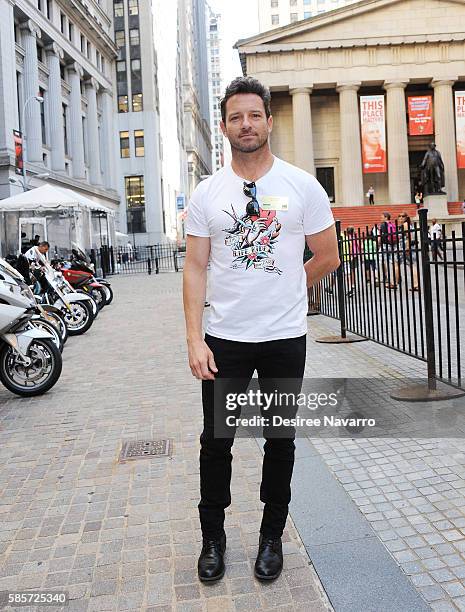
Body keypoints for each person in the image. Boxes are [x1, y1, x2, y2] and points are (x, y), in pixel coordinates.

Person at [183, 76, 339, 584]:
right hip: (225, 339)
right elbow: (195, 268)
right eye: (235, 117)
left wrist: (290, 289)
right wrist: (194, 338)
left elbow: (329, 254)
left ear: (269, 121)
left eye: (254, 115)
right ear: (225, 126)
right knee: (216, 442)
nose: (245, 125)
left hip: (282, 340)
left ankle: (272, 537)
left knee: (280, 441)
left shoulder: (302, 186)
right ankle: (213, 538)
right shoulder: (208, 192)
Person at [397, 212, 419, 291]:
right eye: (399, 216)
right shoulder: (406, 225)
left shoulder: (405, 225)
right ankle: (415, 284)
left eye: (403, 216)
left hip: (406, 246)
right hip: (407, 246)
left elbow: (408, 236)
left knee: (397, 263)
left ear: (406, 217)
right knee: (411, 265)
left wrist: (407, 247)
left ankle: (395, 282)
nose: (401, 217)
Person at [377, 212, 398, 288]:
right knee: (392, 263)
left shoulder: (383, 225)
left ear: (386, 217)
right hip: (392, 244)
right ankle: (396, 279)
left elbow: (381, 236)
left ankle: (387, 278)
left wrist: (378, 244)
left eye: (382, 217)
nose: (381, 218)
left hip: (385, 245)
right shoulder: (392, 224)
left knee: (382, 261)